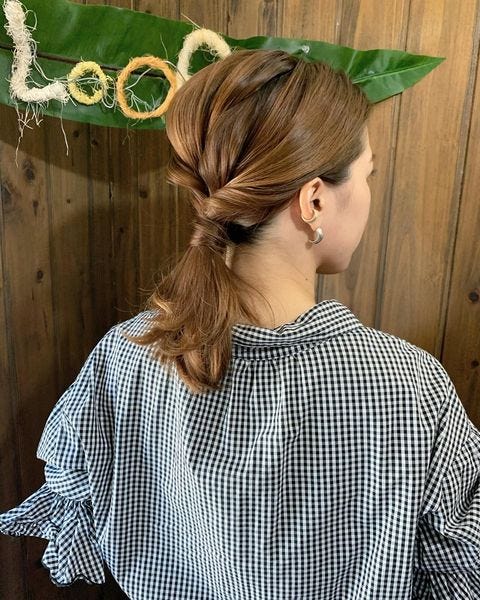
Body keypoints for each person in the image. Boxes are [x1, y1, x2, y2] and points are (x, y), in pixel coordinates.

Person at [1, 48, 479, 599]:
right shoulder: (408, 387)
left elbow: (78, 515)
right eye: (367, 174)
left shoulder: (125, 356)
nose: (369, 192)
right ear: (314, 201)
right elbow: (459, 573)